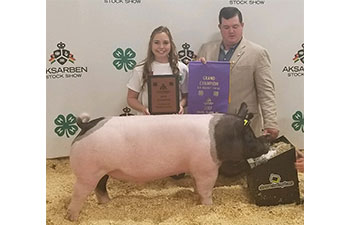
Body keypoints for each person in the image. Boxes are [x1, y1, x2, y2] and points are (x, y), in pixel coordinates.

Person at [197, 7, 279, 140]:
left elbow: (266, 91)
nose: (231, 31)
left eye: (235, 26)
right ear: (220, 27)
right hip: (213, 125)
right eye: (226, 27)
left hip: (245, 125)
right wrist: (197, 68)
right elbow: (197, 87)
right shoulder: (206, 50)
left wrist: (271, 122)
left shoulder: (258, 53)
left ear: (242, 25)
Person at [127, 26, 188, 115]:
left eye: (165, 43)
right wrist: (143, 109)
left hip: (175, 121)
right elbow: (131, 98)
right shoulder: (140, 70)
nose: (161, 47)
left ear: (171, 44)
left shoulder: (182, 68)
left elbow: (187, 97)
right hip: (148, 122)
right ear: (151, 44)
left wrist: (180, 105)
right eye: (156, 42)